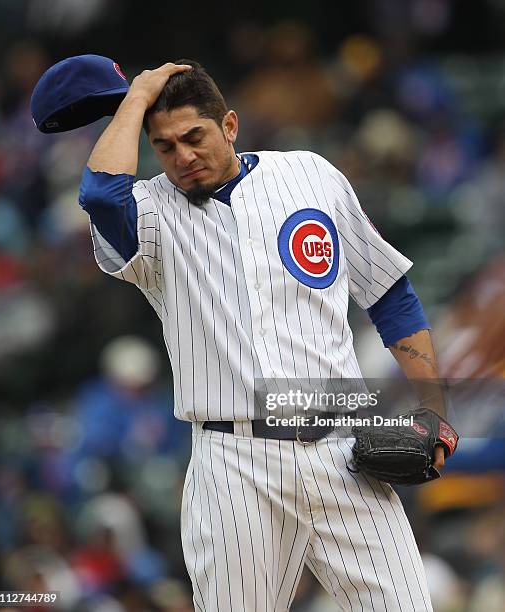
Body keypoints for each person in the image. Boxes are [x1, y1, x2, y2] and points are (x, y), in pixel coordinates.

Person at [79, 60, 449, 611]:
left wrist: (434, 409)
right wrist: (137, 97)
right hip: (234, 462)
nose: (182, 156)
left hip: (343, 449)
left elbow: (391, 296)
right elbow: (101, 196)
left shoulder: (310, 176)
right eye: (164, 146)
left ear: (230, 125)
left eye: (193, 137)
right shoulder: (153, 211)